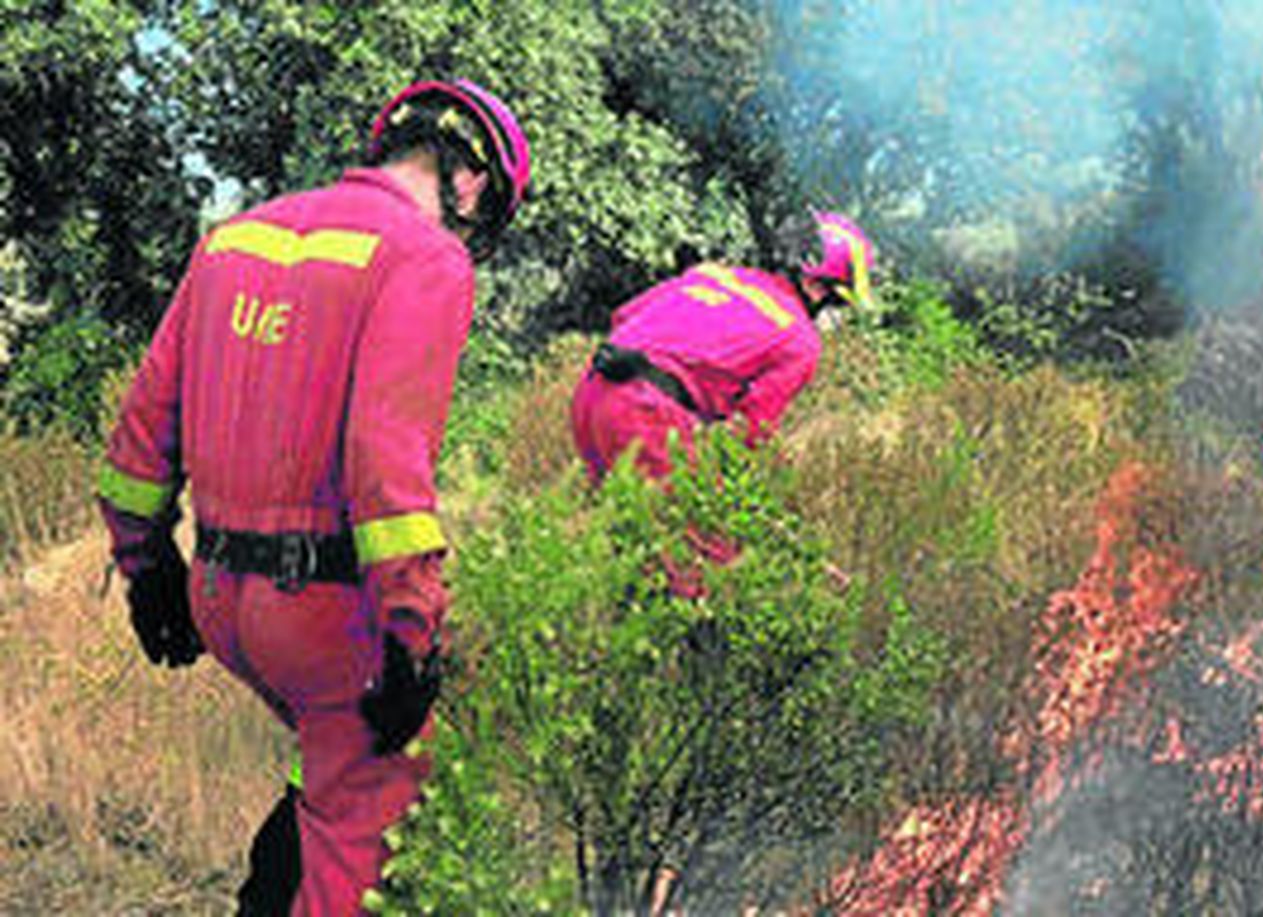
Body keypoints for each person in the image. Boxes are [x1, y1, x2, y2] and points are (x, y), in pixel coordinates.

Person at [94, 78, 532, 915]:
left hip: (219, 597)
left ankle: (272, 883)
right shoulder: (425, 257)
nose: (470, 231)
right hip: (330, 617)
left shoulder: (232, 240)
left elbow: (141, 432)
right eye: (482, 215)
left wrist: (147, 567)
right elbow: (385, 461)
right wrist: (411, 629)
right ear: (471, 180)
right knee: (364, 829)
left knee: (329, 756)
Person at [570, 211, 876, 486]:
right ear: (820, 287)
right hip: (643, 414)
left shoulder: (713, 274)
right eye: (836, 301)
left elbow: (623, 316)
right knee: (699, 542)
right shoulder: (800, 339)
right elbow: (751, 431)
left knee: (612, 527)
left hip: (592, 390)